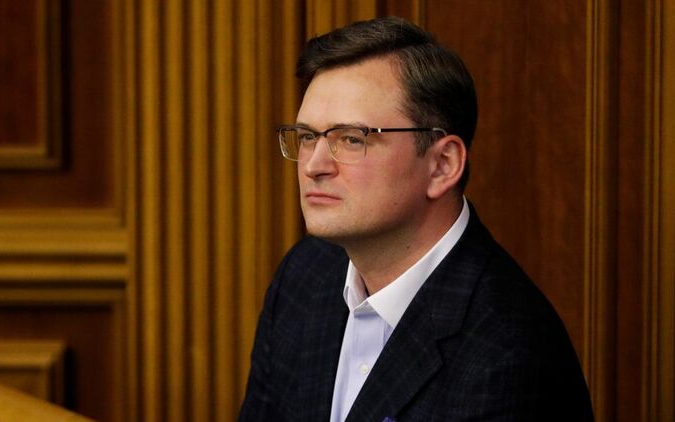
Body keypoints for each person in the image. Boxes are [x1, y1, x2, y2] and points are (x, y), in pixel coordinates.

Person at [239, 16, 593, 421]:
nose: (313, 166)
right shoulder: (304, 275)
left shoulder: (510, 357)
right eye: (307, 137)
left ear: (442, 165)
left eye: (351, 139)